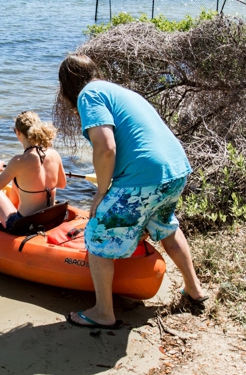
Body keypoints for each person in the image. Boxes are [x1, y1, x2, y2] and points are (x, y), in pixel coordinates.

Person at [55, 54, 207, 330]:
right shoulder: (118, 91)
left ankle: (103, 313)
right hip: (174, 170)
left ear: (67, 84)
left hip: (143, 178)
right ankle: (194, 289)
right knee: (166, 227)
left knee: (97, 234)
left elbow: (106, 147)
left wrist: (101, 192)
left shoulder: (88, 95)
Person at [0, 111, 66, 230]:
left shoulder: (18, 161)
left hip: (24, 225)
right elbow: (62, 184)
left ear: (17, 132)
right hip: (49, 219)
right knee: (17, 183)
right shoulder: (54, 154)